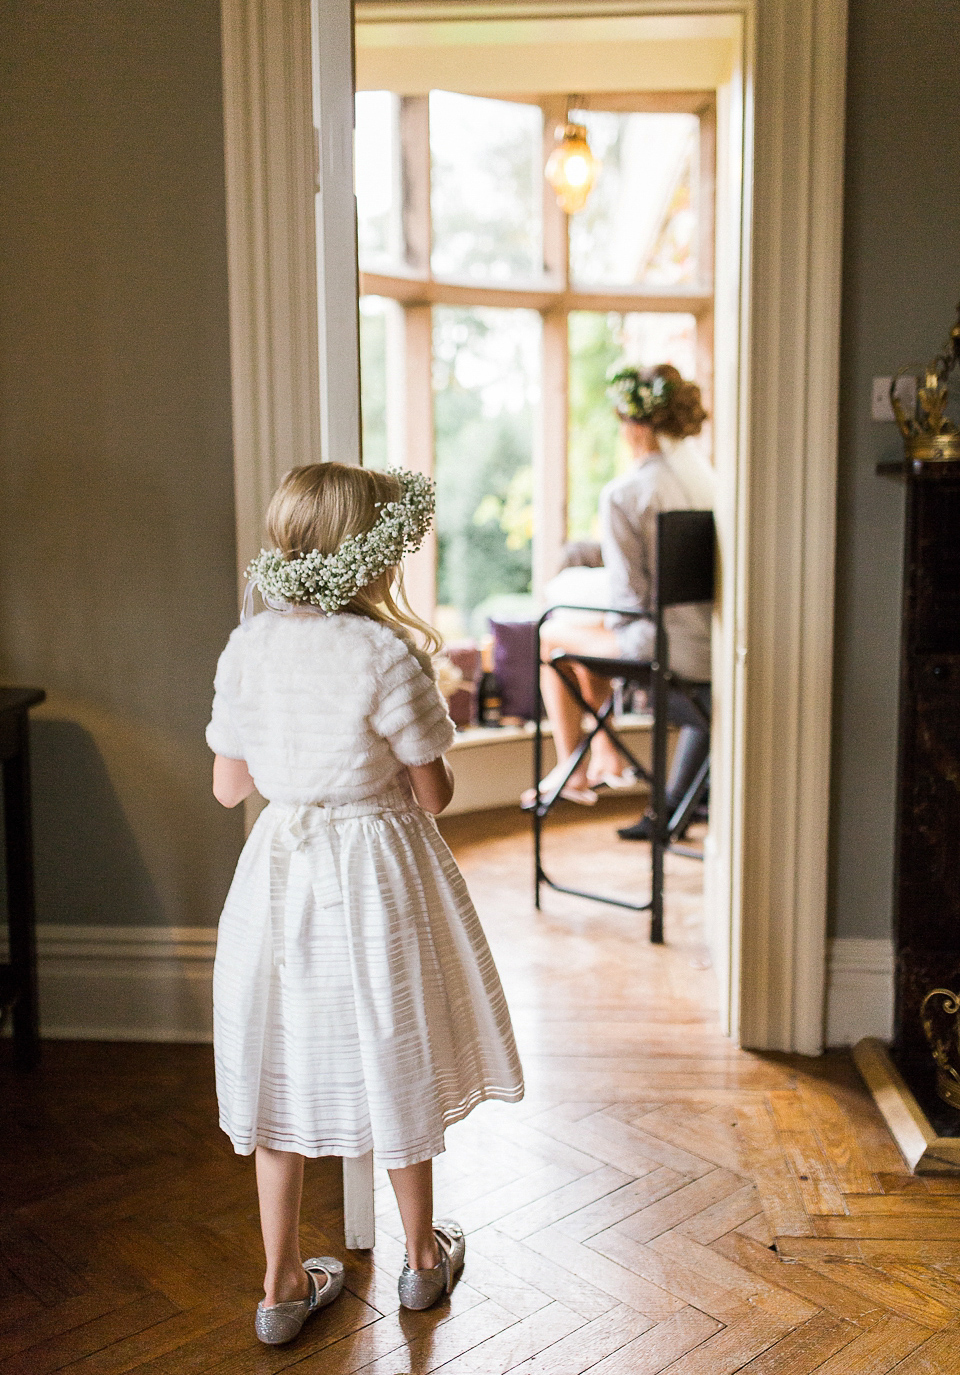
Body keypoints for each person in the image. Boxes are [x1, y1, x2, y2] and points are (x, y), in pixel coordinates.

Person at [206, 463, 523, 1346]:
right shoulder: (384, 655)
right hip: (375, 874)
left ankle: (277, 1287)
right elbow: (434, 796)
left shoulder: (249, 648)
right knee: (395, 1045)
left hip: (282, 876)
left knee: (280, 1062)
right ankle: (421, 1259)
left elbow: (231, 786)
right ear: (370, 556)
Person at [522, 363, 714, 839]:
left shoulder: (627, 493)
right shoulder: (707, 483)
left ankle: (576, 765)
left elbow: (628, 599)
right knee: (587, 654)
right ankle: (607, 761)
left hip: (665, 652)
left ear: (636, 425)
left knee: (551, 635)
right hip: (711, 641)